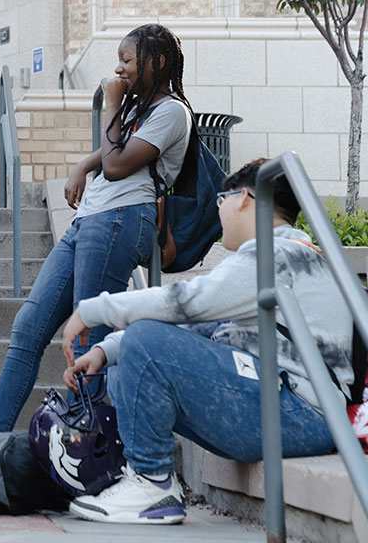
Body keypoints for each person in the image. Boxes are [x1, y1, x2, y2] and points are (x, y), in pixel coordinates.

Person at [59, 159, 352, 524]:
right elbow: (205, 326)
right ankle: (142, 476)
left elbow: (187, 300)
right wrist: (107, 350)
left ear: (243, 198)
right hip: (286, 404)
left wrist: (92, 310)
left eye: (220, 200)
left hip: (300, 414)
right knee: (128, 358)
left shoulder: (276, 256)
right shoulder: (281, 256)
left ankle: (153, 485)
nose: (219, 211)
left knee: (144, 340)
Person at [0, 23, 193, 432]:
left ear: (158, 61)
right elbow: (111, 153)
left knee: (87, 337)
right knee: (28, 327)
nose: (119, 69)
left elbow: (116, 166)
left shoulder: (171, 111)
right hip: (89, 222)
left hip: (120, 221)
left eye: (128, 60)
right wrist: (83, 163)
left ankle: (84, 442)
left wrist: (111, 104)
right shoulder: (141, 109)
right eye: (119, 60)